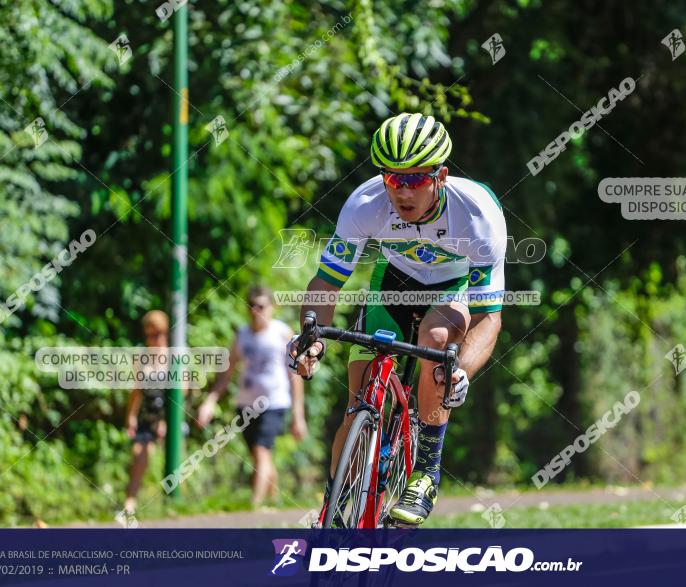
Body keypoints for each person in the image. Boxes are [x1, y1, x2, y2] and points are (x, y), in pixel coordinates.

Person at [289, 112, 507, 526]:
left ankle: (426, 469)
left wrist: (463, 371)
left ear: (440, 176)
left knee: (436, 336)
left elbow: (488, 317)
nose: (402, 192)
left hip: (452, 288)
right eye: (393, 179)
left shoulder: (477, 217)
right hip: (391, 282)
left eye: (415, 180)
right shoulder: (365, 204)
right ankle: (334, 513)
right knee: (358, 404)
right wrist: (311, 340)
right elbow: (327, 282)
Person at [198, 285, 307, 507]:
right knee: (260, 456)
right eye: (251, 306)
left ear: (271, 308)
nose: (256, 310)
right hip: (246, 403)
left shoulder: (282, 333)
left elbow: (295, 376)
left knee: (261, 450)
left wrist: (298, 415)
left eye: (261, 306)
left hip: (275, 402)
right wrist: (210, 402)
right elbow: (226, 375)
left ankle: (253, 507)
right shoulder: (242, 336)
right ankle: (275, 501)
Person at [124, 310, 171, 513]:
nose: (156, 339)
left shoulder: (175, 357)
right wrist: (131, 416)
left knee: (177, 458)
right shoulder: (142, 358)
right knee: (139, 455)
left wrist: (166, 421)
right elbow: (137, 391)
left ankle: (175, 502)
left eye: (160, 333)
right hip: (147, 413)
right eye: (151, 335)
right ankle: (130, 503)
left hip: (170, 412)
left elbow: (184, 392)